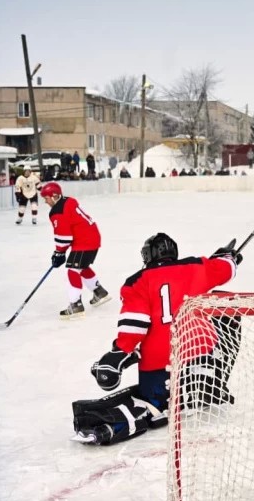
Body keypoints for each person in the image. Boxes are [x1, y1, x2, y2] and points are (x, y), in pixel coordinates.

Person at [71, 233, 242, 445]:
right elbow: (227, 268)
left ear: (147, 256)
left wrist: (120, 352)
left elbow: (134, 326)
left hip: (160, 361)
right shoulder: (198, 266)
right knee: (225, 302)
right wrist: (227, 257)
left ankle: (112, 425)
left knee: (150, 401)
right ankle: (207, 383)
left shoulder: (137, 281)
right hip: (200, 349)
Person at [40, 182, 111, 318]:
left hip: (84, 241)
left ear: (54, 196)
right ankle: (99, 292)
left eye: (47, 198)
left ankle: (76, 305)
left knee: (73, 270)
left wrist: (59, 253)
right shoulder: (68, 200)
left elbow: (64, 237)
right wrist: (60, 252)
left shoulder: (57, 212)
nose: (45, 201)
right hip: (92, 237)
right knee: (81, 266)